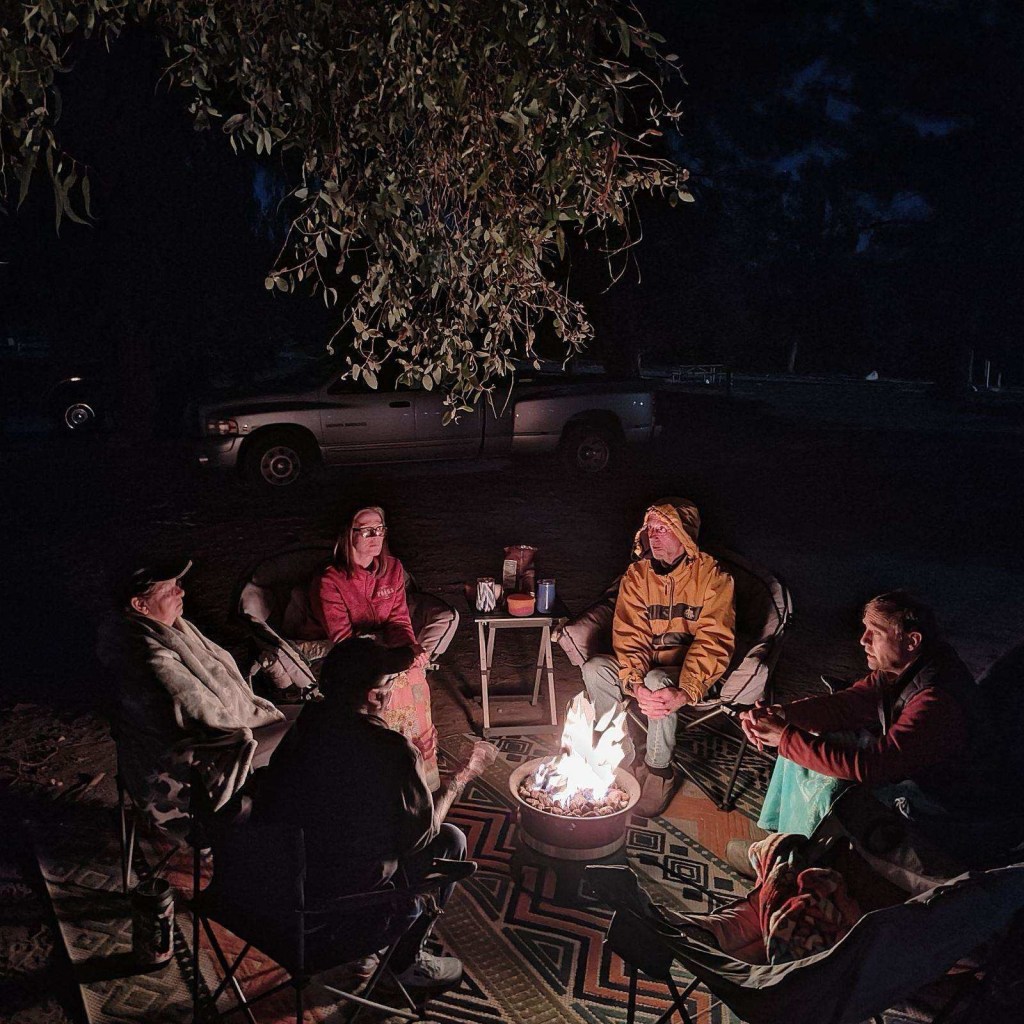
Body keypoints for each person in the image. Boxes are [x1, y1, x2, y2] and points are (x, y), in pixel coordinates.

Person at [248, 637, 497, 993]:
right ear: (375, 696)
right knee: (450, 840)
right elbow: (420, 839)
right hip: (334, 910)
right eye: (391, 682)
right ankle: (403, 965)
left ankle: (369, 952)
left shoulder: (306, 725)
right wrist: (460, 779)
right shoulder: (392, 750)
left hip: (273, 890)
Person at [734, 590, 1004, 874]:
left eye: (875, 633)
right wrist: (782, 715)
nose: (863, 640)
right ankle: (780, 844)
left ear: (912, 640)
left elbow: (871, 766)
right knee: (810, 738)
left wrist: (785, 737)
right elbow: (846, 706)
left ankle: (795, 864)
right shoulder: (905, 668)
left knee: (826, 775)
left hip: (946, 805)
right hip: (914, 773)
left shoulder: (935, 701)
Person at [96, 558, 286, 838]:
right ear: (140, 605)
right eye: (169, 589)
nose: (181, 592)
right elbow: (204, 719)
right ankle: (281, 823)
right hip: (190, 761)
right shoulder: (148, 657)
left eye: (178, 584)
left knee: (316, 719)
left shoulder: (167, 630)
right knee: (309, 735)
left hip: (210, 738)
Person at [582, 498, 736, 817]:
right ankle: (620, 758)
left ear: (685, 534)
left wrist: (687, 690)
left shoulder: (713, 576)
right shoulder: (637, 575)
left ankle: (659, 770)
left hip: (685, 671)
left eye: (663, 528)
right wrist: (634, 683)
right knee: (596, 668)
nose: (653, 535)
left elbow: (714, 639)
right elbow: (630, 634)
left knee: (657, 680)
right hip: (646, 666)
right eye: (650, 528)